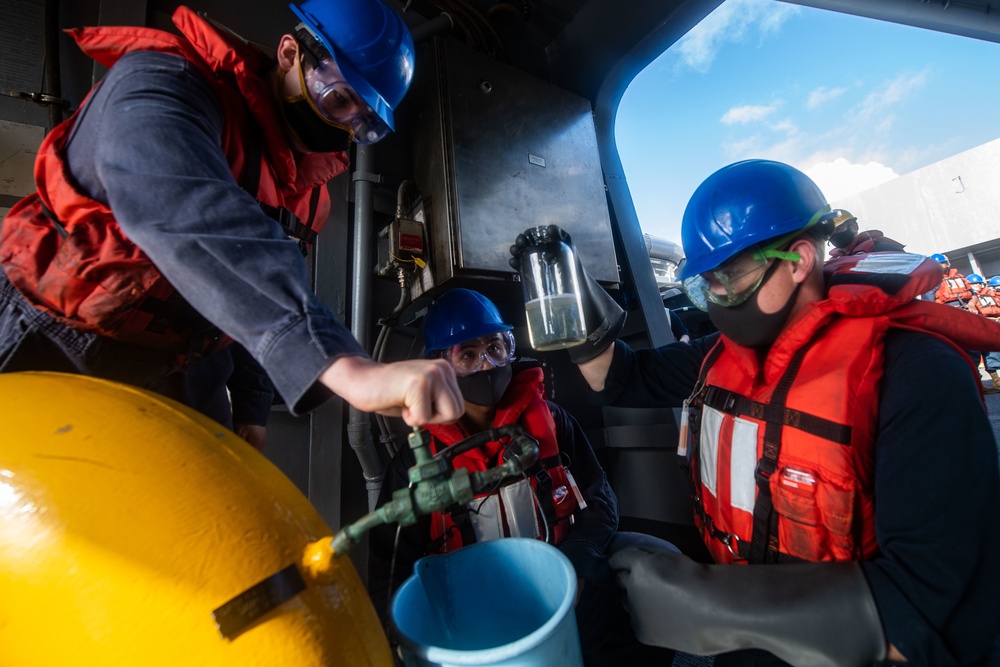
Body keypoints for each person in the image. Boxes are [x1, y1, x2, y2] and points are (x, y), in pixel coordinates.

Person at [511, 160, 1000, 666]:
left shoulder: (914, 372)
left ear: (798, 260)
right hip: (742, 643)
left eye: (732, 276)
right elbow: (615, 379)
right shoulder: (719, 356)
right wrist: (558, 284)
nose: (718, 296)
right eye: (708, 282)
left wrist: (718, 607)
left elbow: (939, 610)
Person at [0, 0, 463, 432]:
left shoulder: (307, 192)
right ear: (290, 54)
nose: (343, 127)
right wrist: (349, 368)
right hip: (50, 334)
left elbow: (251, 296)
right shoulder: (161, 87)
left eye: (363, 125)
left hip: (180, 368)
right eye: (340, 100)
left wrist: (252, 407)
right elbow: (200, 224)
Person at [367, 288, 671, 666]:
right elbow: (389, 566)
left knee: (651, 578)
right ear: (440, 366)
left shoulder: (553, 422)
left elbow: (599, 494)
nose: (487, 365)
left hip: (562, 585)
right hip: (473, 616)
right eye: (468, 355)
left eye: (496, 347)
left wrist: (580, 556)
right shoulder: (418, 462)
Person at [826, 208, 905, 257]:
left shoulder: (881, 248)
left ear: (854, 227)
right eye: (830, 232)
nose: (834, 234)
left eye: (839, 228)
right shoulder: (835, 262)